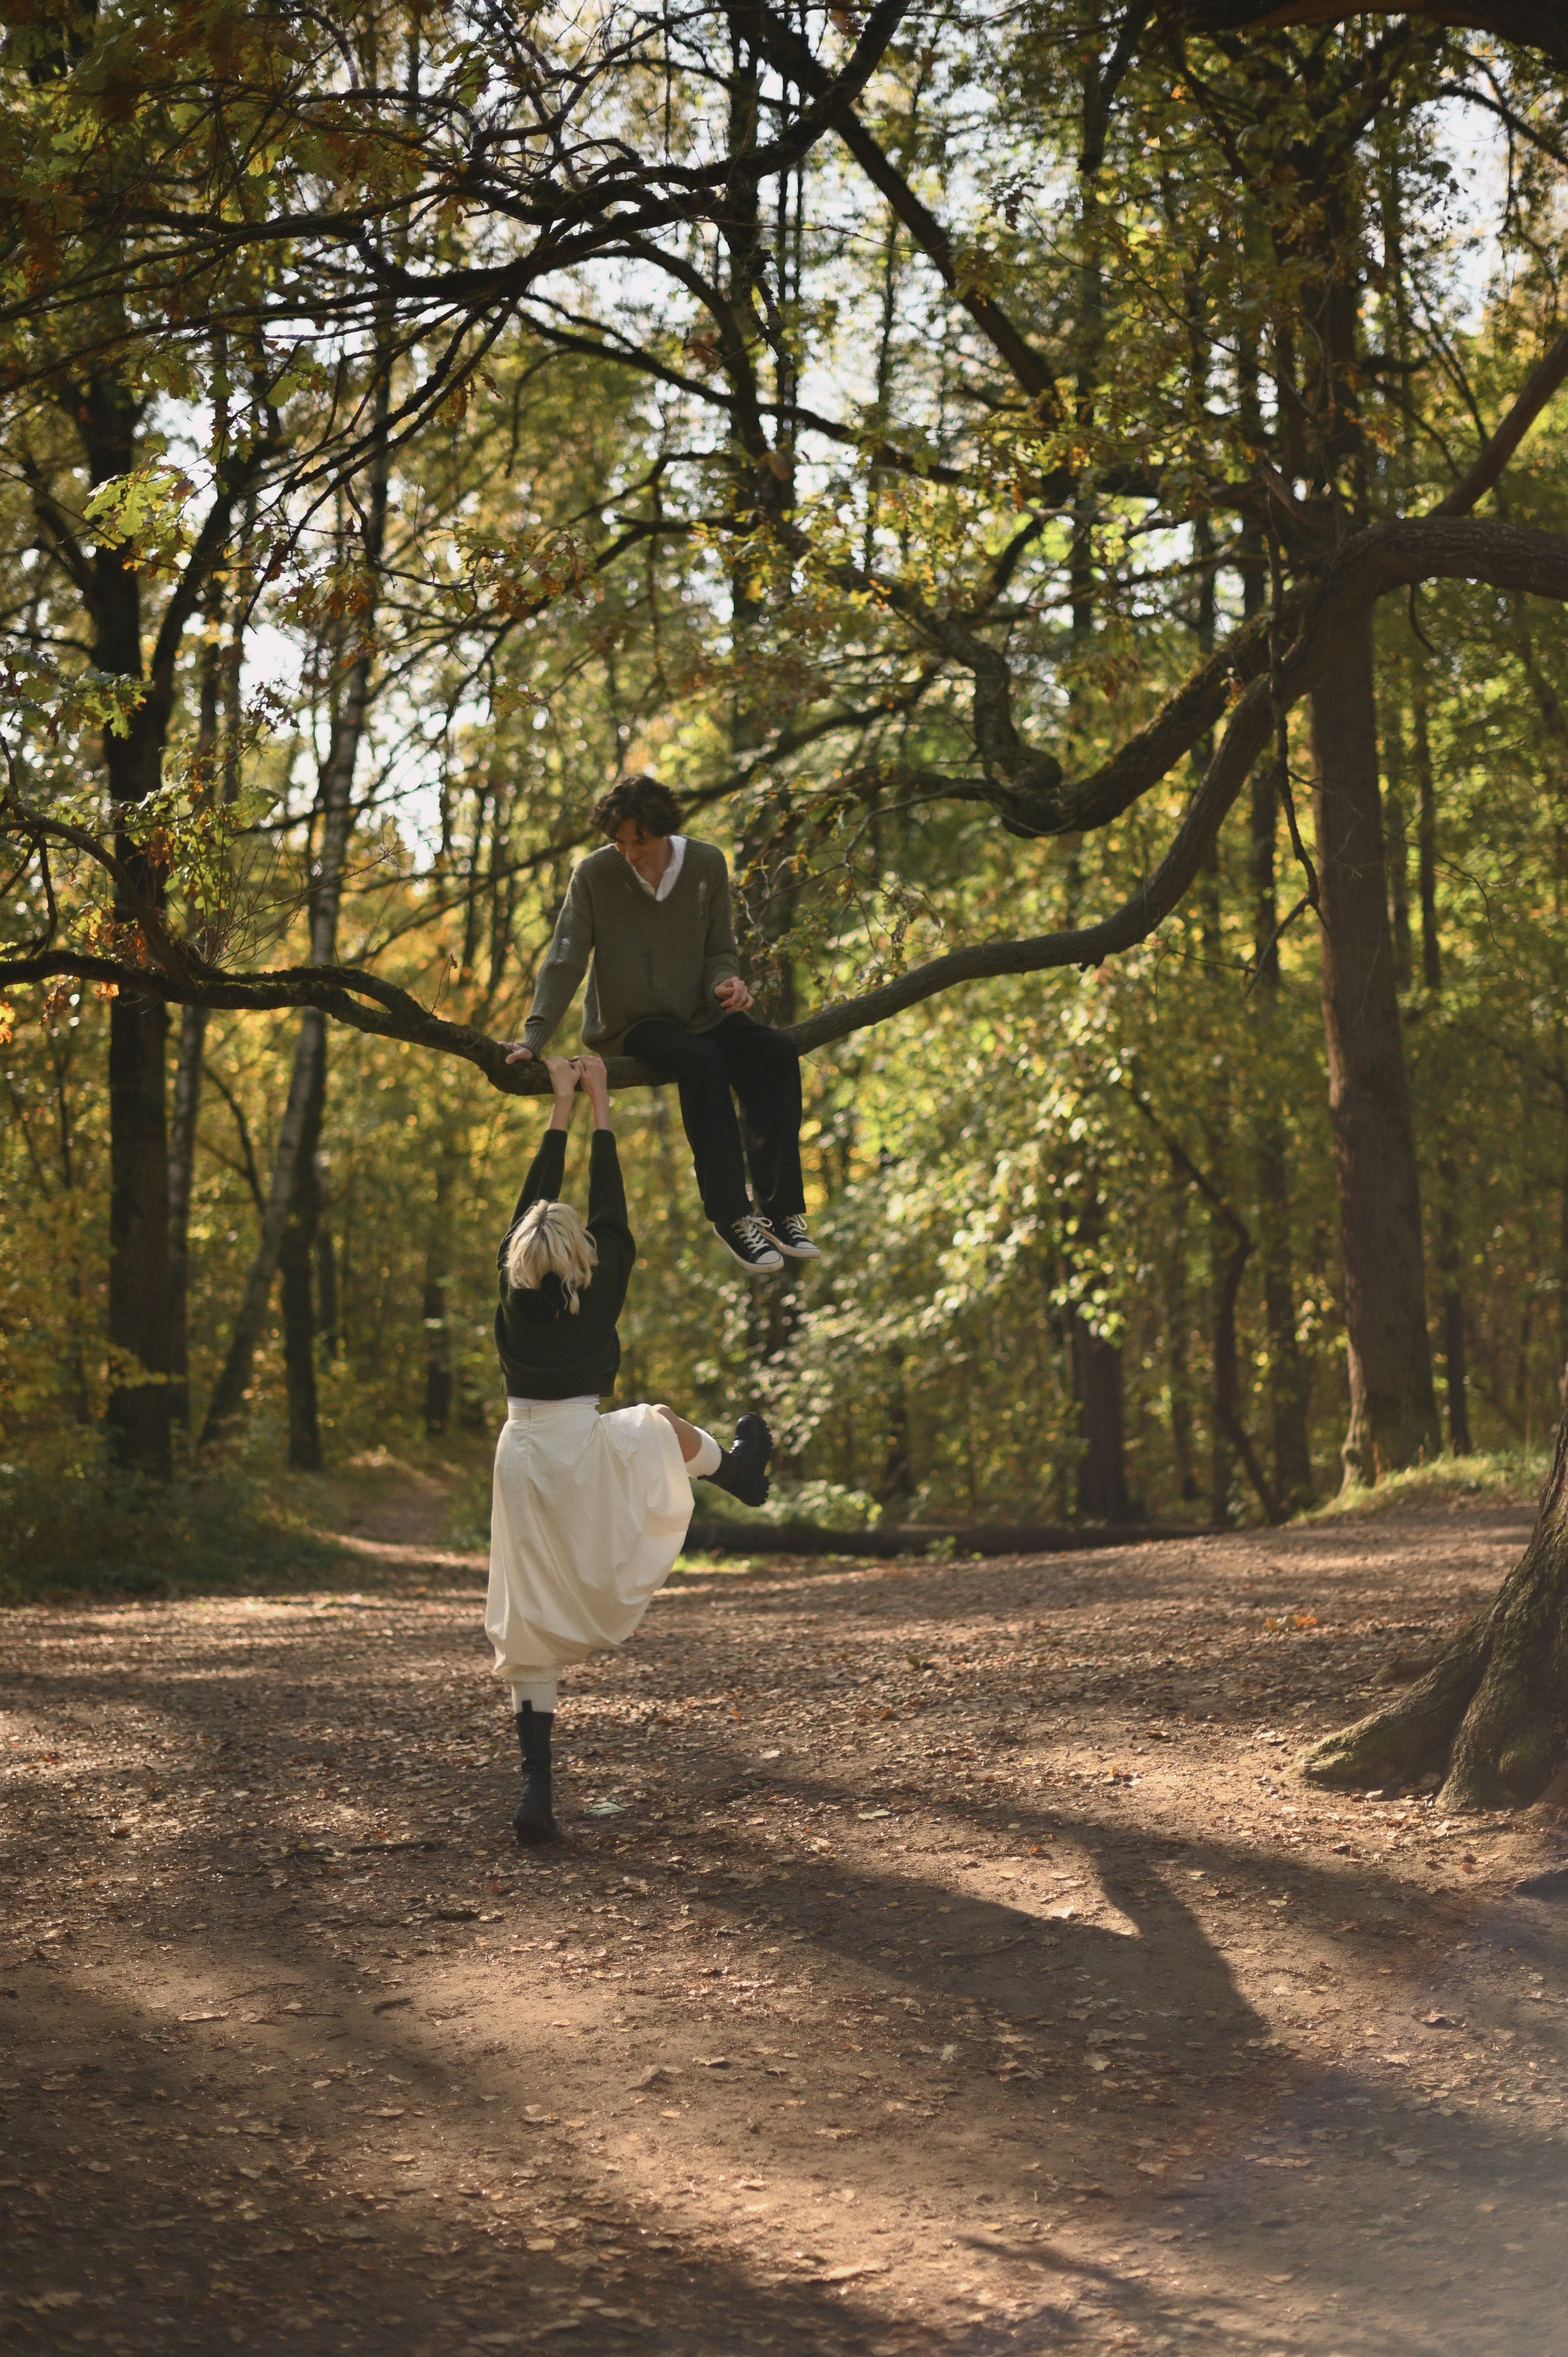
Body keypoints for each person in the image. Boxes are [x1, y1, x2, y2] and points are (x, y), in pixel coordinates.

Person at [486, 1050, 772, 1846]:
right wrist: (599, 1104)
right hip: (578, 1441)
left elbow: (527, 1212)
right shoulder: (598, 1291)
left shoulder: (510, 1304)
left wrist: (559, 1108)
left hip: (522, 1459)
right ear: (581, 1261)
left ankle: (536, 1790)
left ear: (519, 1259)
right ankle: (738, 1472)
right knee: (655, 1425)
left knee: (530, 1625)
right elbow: (614, 1219)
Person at [504, 772, 820, 1277]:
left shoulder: (706, 864)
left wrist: (728, 983)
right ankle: (730, 1215)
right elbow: (565, 958)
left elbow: (720, 950)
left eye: (640, 840)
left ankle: (780, 1210)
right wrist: (534, 1038)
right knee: (702, 1061)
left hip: (702, 1012)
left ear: (663, 830)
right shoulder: (593, 875)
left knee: (775, 1051)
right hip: (635, 1022)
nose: (629, 852)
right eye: (619, 841)